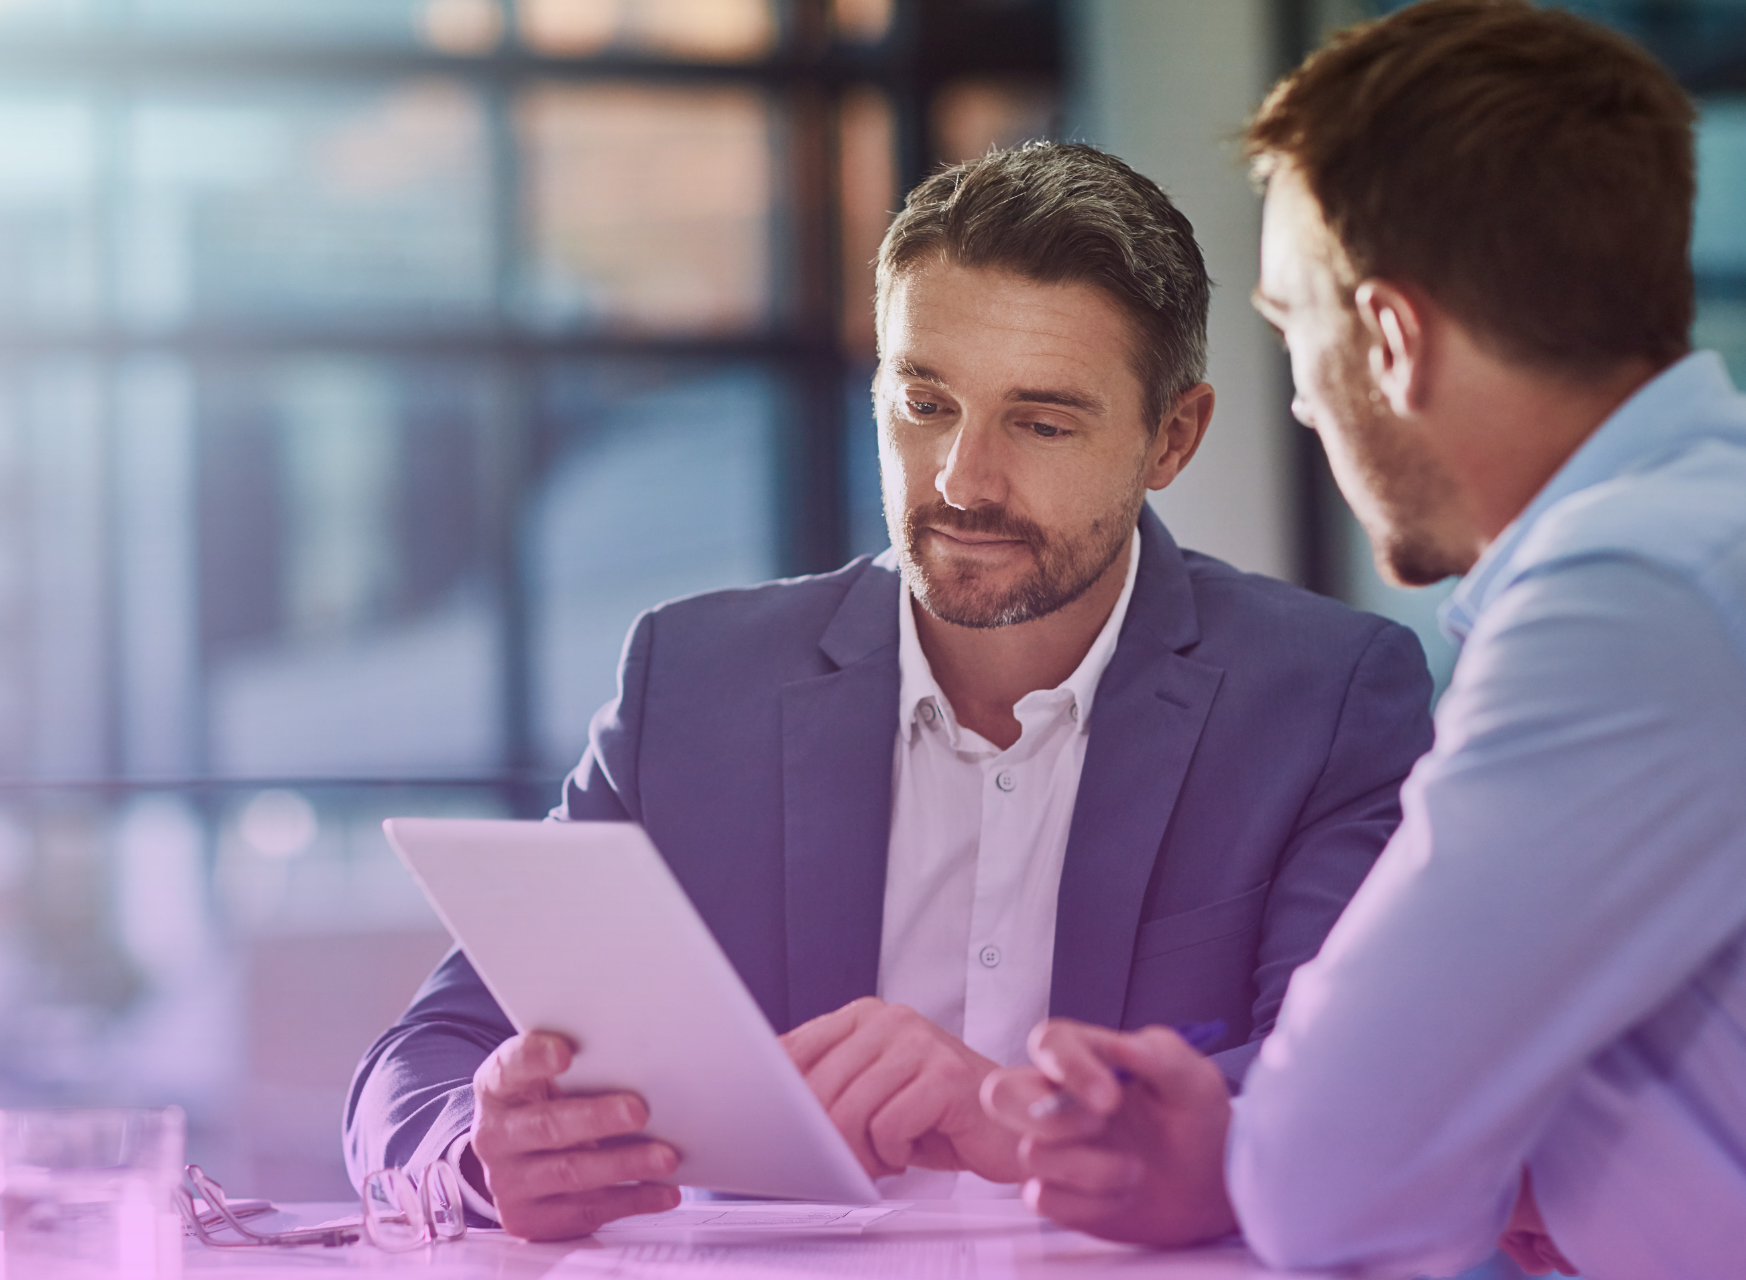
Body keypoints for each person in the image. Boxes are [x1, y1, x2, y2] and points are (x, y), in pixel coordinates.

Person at [345, 142, 1435, 1242]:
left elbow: (1363, 1088)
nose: (963, 479)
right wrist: (481, 1154)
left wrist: (1007, 1114)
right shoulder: (694, 683)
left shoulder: (1326, 696)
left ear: (1172, 437)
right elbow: (419, 1062)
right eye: (924, 403)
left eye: (1042, 422)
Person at [981, 4, 1746, 1277]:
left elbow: (1329, 1184)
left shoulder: (1630, 590)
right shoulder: (1701, 539)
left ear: (1389, 339)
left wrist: (1259, 1153)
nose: (1293, 396)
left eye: (1295, 329)